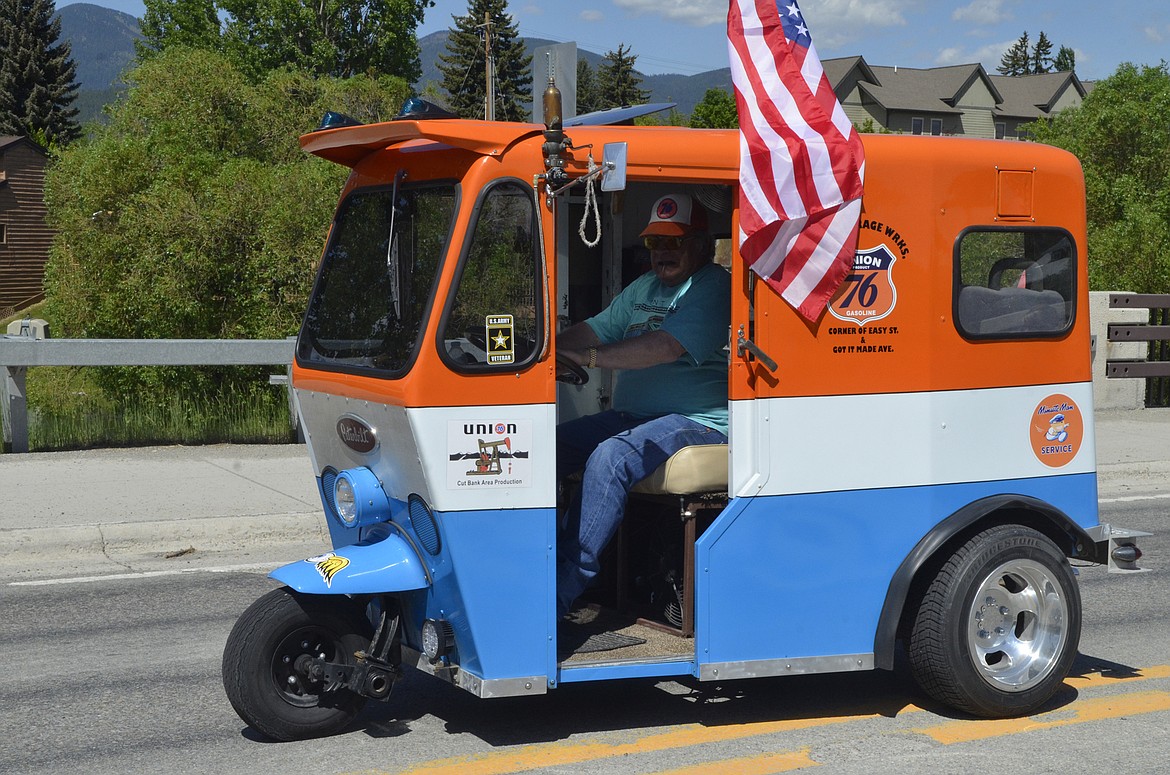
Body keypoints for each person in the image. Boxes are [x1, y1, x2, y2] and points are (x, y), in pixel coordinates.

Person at [555, 193, 731, 618]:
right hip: (634, 416)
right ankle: (532, 565)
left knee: (612, 455)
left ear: (703, 245)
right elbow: (594, 330)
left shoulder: (713, 285)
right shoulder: (644, 287)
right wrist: (543, 350)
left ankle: (560, 592)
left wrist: (588, 360)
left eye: (675, 242)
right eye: (655, 244)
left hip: (698, 421)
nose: (663, 254)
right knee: (546, 446)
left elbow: (664, 347)